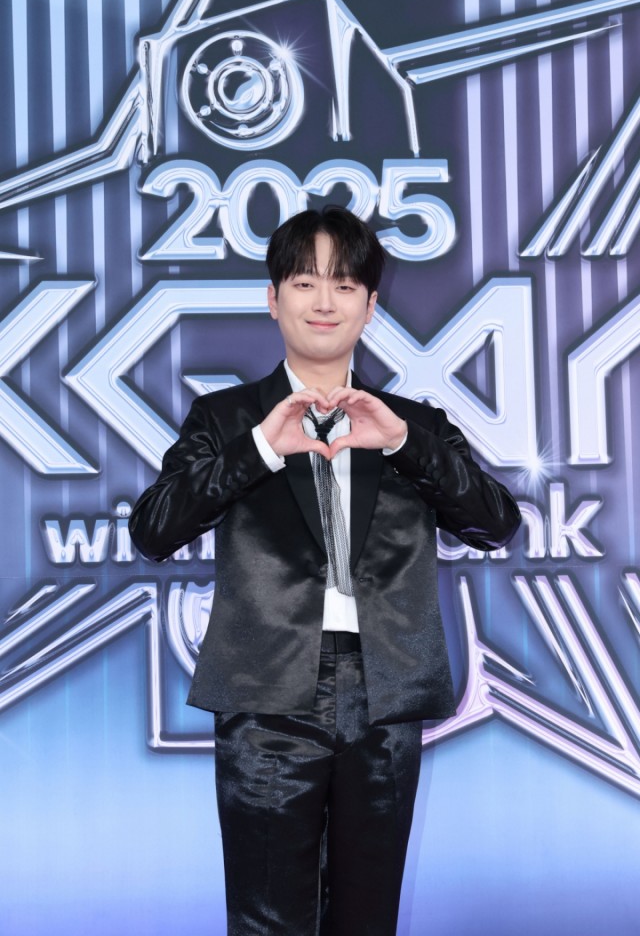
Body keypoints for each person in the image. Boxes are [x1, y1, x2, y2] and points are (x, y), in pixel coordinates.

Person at [129, 206, 520, 936]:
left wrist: (403, 444)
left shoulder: (412, 424)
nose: (324, 301)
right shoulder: (226, 419)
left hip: (385, 693)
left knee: (367, 916)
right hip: (267, 696)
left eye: (344, 285)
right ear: (273, 298)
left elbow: (495, 523)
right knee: (268, 917)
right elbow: (154, 530)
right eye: (305, 282)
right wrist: (259, 450)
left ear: (370, 306)